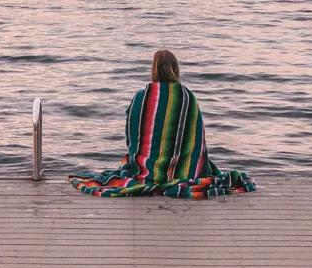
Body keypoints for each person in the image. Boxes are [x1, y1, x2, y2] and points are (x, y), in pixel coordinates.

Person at [70, 49, 255, 198]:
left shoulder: (141, 97)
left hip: (144, 170)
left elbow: (131, 136)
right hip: (185, 170)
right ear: (176, 69)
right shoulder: (187, 96)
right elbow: (197, 139)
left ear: (154, 70)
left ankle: (155, 168)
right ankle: (176, 169)